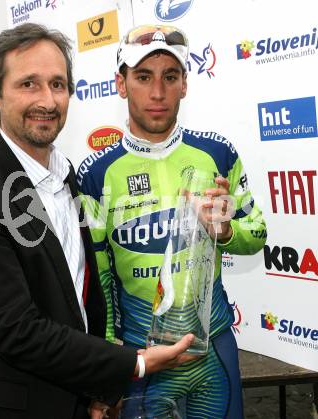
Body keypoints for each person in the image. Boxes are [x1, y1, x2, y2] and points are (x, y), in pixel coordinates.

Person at [0, 23, 197, 419]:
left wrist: (95, 389)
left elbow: (77, 297)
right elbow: (16, 330)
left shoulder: (64, 175)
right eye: (28, 85)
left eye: (58, 84)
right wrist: (132, 365)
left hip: (72, 398)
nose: (48, 100)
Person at [77, 24, 267, 419]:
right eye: (143, 77)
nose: (158, 93)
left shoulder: (217, 154)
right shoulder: (95, 174)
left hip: (212, 345)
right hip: (140, 356)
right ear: (121, 84)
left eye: (170, 77)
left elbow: (257, 235)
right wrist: (110, 363)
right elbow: (100, 281)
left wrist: (227, 230)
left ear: (185, 84)